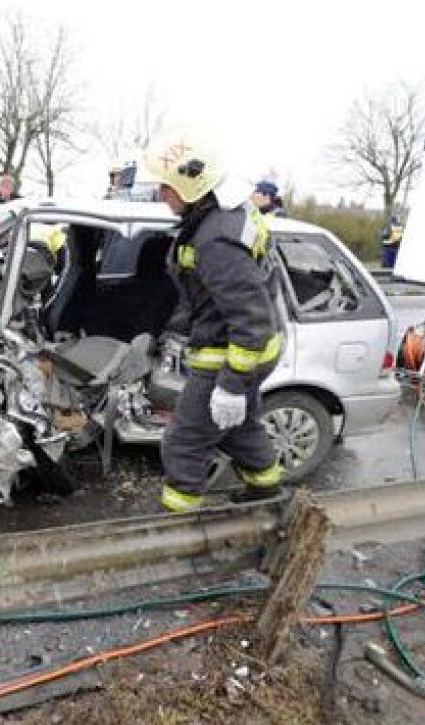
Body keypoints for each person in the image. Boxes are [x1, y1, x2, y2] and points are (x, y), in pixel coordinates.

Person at [141, 132, 285, 512]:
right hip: (247, 349)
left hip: (234, 353)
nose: (161, 194)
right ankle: (267, 493)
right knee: (239, 429)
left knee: (185, 441)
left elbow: (251, 321)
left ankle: (175, 526)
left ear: (191, 187)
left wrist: (232, 385)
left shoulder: (215, 242)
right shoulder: (226, 215)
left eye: (166, 187)